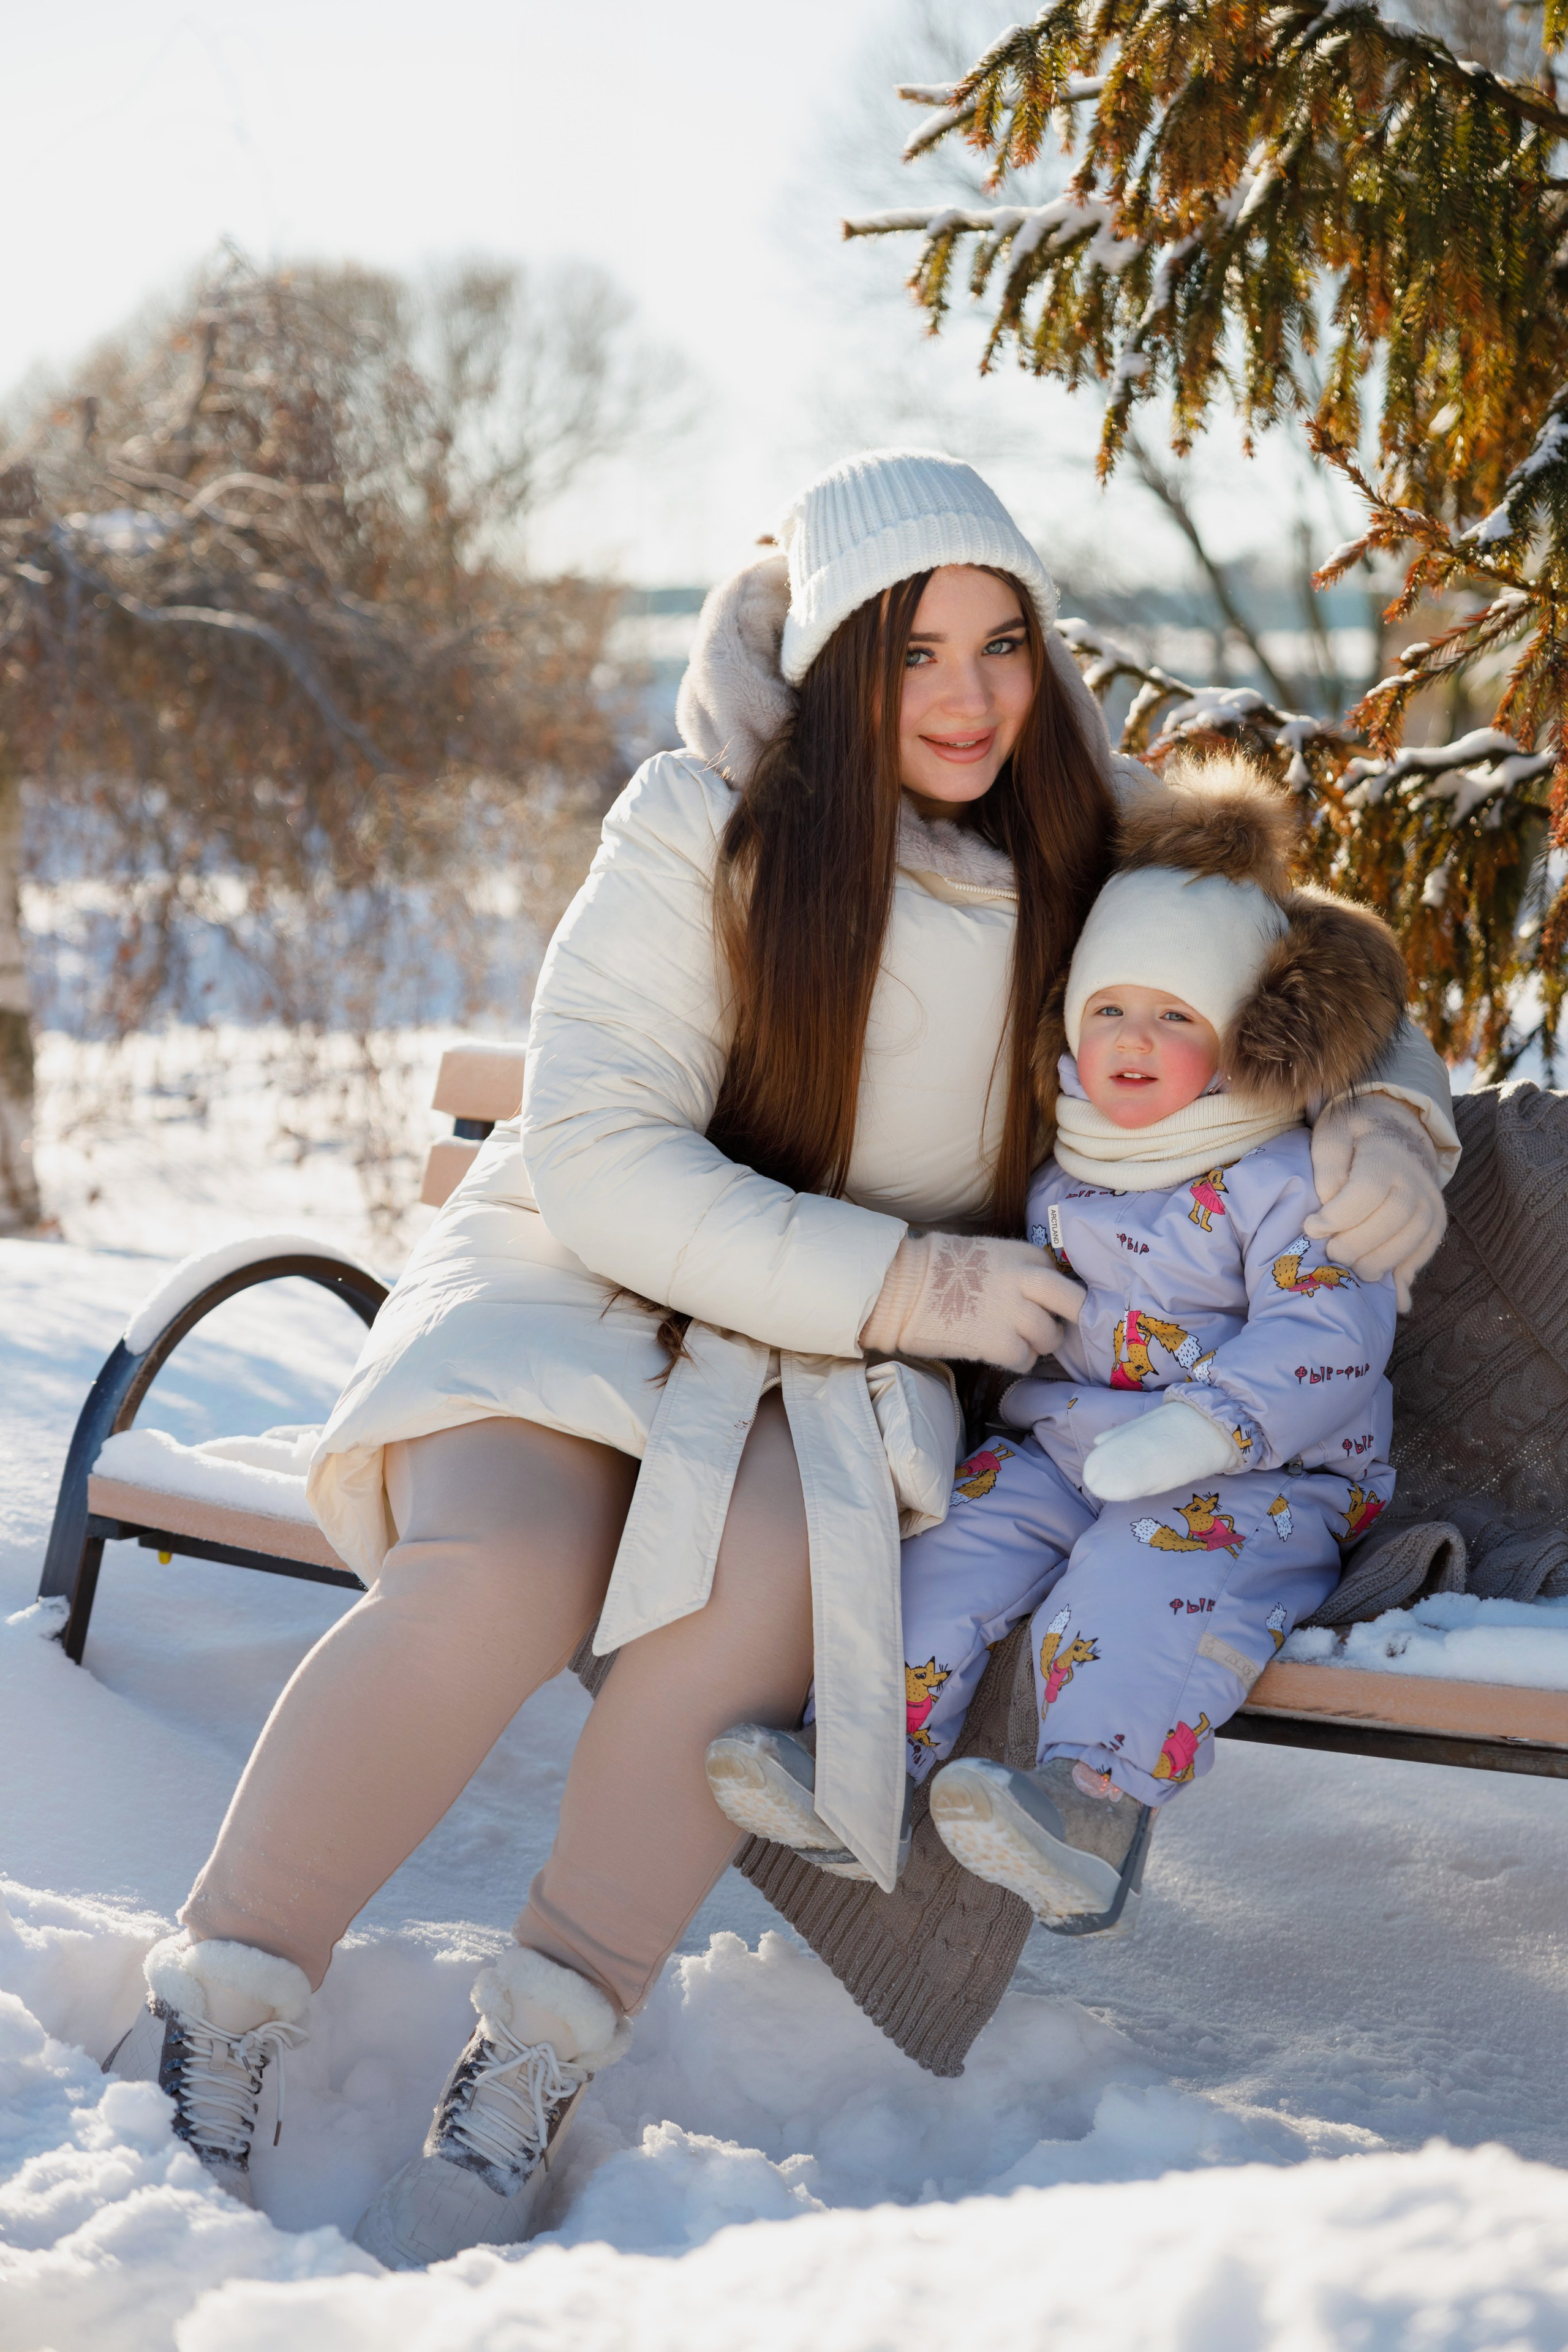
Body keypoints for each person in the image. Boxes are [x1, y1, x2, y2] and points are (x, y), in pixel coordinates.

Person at [99, 451, 1458, 2271]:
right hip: (586, 1287)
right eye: (913, 655)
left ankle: (532, 2067)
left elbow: (1320, 983)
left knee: (754, 1614)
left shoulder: (1093, 844)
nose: (969, 698)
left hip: (837, 1372)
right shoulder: (697, 821)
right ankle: (223, 2006)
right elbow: (597, 1151)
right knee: (508, 1568)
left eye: (1003, 645)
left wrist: (1386, 1123)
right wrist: (903, 1281)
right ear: (832, 666)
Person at [704, 755, 1406, 1932]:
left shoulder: (1282, 1171)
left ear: (1239, 1039)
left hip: (1255, 1475)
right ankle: (858, 1760)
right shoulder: (1060, 1154)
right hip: (1062, 1449)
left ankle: (1090, 1810)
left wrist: (1203, 1427)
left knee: (1139, 1588)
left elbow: (1333, 1336)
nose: (1135, 1037)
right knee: (949, 1553)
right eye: (1111, 1008)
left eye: (1177, 1015)